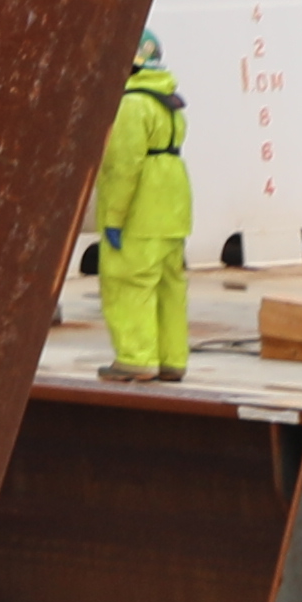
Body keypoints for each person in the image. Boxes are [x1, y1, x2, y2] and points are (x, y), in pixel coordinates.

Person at [95, 31, 197, 383]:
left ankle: (136, 358)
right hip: (173, 207)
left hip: (141, 212)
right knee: (170, 287)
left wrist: (113, 218)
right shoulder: (166, 99)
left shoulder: (131, 105)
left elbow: (124, 167)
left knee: (128, 284)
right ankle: (172, 359)